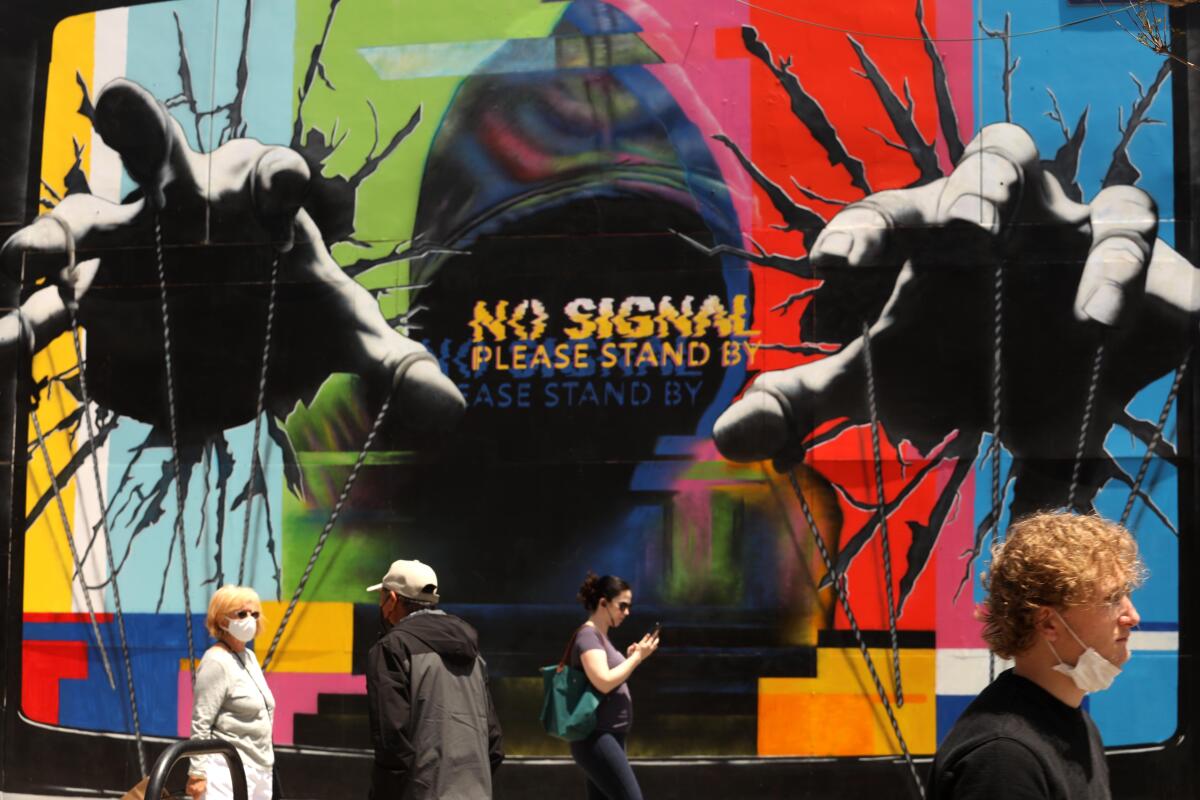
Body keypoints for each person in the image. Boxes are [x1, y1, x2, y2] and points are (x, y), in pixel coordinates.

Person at [928, 512, 1145, 799]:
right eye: (1111, 599)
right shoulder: (1004, 758)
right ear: (1048, 623)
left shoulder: (1074, 722)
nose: (1133, 616)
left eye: (1126, 594)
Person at [366, 558, 503, 799]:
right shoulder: (473, 652)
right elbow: (493, 741)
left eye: (382, 597)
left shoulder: (392, 648)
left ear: (394, 599)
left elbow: (392, 740)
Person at [568, 572, 660, 800]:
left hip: (608, 736)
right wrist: (636, 658)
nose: (627, 612)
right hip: (597, 737)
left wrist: (631, 657)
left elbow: (610, 675)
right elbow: (603, 681)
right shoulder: (588, 636)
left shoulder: (600, 638)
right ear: (603, 603)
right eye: (622, 606)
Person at [186, 585, 276, 800]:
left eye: (254, 614)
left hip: (260, 767)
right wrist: (197, 773)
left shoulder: (249, 657)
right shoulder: (216, 661)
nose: (250, 619)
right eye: (242, 614)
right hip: (227, 768)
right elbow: (201, 722)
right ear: (222, 619)